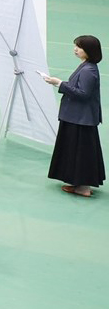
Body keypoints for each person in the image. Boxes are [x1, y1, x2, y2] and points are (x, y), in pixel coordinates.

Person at [47, 35, 103, 196]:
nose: (75, 49)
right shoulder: (86, 66)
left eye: (79, 47)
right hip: (77, 117)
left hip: (80, 118)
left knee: (81, 153)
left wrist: (59, 83)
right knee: (78, 151)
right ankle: (79, 184)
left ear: (89, 50)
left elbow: (83, 94)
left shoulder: (88, 70)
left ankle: (83, 187)